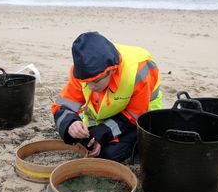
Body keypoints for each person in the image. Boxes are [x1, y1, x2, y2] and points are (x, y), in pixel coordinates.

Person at [51, 32, 162, 162]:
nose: (90, 86)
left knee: (109, 154)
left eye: (96, 81)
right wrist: (71, 123)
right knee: (84, 143)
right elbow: (62, 106)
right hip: (103, 118)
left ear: (112, 70)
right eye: (86, 82)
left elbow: (134, 115)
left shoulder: (140, 68)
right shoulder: (81, 71)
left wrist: (103, 134)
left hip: (139, 119)